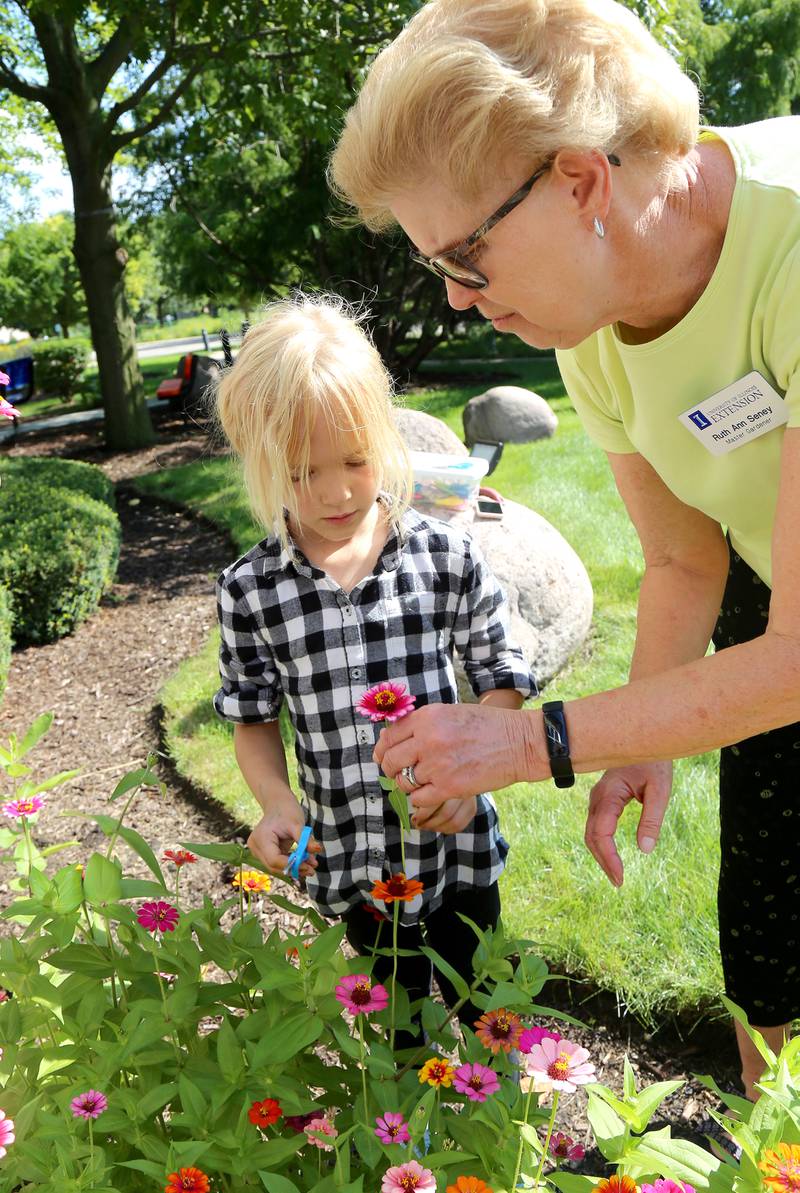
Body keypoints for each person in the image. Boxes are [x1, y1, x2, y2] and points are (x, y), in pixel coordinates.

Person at [328, 0, 800, 1095]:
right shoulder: (592, 315)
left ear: (581, 179)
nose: (454, 296)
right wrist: (643, 734)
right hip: (771, 612)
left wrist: (539, 739)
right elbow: (687, 561)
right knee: (769, 956)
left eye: (464, 255)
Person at [212, 293, 536, 1046]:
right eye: (301, 472)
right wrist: (273, 803)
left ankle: (501, 1127)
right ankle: (409, 1147)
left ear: (384, 437)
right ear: (259, 464)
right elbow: (253, 717)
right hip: (356, 863)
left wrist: (476, 769)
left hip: (454, 849)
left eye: (355, 460)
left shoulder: (442, 554)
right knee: (398, 1026)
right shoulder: (251, 588)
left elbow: (501, 672)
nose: (336, 491)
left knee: (486, 1005)